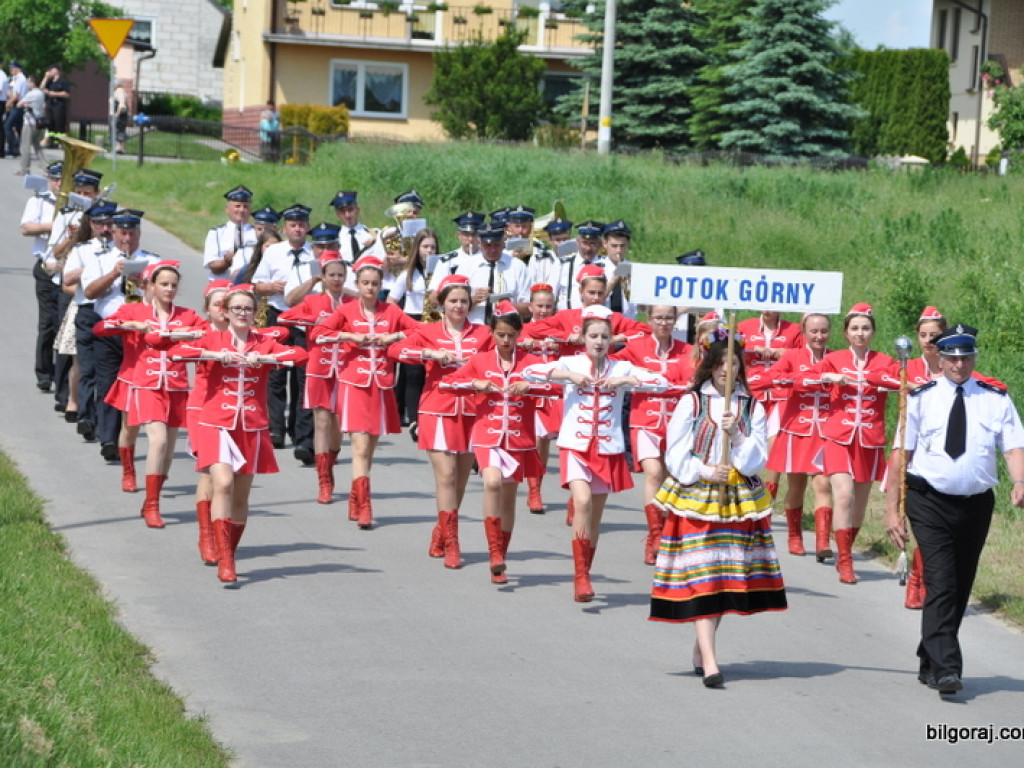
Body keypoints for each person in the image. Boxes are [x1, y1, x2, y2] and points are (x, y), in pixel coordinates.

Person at [884, 324, 1024, 696]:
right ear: (941, 359)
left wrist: (1020, 481)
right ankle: (948, 668)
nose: (959, 365)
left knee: (960, 584)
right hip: (929, 501)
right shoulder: (921, 398)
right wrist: (891, 511)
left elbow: (1013, 445)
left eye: (966, 358)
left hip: (976, 504)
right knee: (942, 580)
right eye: (952, 358)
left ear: (974, 358)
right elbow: (901, 456)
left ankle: (930, 658)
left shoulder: (994, 398)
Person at [649, 332, 787, 688]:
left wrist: (738, 434)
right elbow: (674, 454)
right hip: (697, 499)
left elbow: (756, 461)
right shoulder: (692, 402)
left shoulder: (752, 408)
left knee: (724, 578)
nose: (727, 369)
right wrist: (705, 470)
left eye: (734, 363)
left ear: (741, 368)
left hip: (737, 502)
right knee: (704, 576)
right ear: (710, 366)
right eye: (721, 363)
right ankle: (711, 663)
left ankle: (701, 648)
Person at [524, 306, 668, 603]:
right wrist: (567, 375)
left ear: (612, 339)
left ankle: (585, 571)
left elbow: (661, 382)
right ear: (583, 337)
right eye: (593, 336)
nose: (599, 342)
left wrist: (626, 382)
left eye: (604, 336)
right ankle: (580, 576)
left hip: (607, 448)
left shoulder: (621, 367)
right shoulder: (571, 362)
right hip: (575, 446)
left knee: (595, 519)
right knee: (582, 501)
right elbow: (530, 372)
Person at [174, 287, 308, 584]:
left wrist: (267, 358)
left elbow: (300, 354)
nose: (242, 313)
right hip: (215, 422)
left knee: (241, 495)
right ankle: (224, 559)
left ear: (255, 313)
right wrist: (214, 355)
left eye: (248, 309)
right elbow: (177, 352)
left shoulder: (264, 342)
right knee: (223, 482)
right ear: (225, 312)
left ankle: (229, 551)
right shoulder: (213, 337)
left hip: (251, 424)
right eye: (236, 308)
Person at [442, 301, 551, 584]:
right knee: (492, 482)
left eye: (511, 335)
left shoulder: (531, 362)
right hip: (487, 435)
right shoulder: (480, 361)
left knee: (508, 497)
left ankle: (501, 555)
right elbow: (447, 384)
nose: (505, 340)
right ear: (491, 332)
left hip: (518, 439)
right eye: (500, 334)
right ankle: (493, 553)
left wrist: (531, 386)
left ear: (519, 334)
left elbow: (557, 387)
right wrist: (474, 384)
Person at [390, 274, 493, 568]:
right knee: (446, 476)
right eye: (453, 301)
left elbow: (502, 357)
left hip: (472, 411)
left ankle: (441, 532)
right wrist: (429, 353)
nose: (459, 306)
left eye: (464, 301)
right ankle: (453, 543)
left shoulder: (484, 333)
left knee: (460, 479)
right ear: (442, 303)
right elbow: (395, 350)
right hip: (437, 408)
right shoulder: (429, 331)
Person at [94, 261, 202, 527]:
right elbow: (100, 329)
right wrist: (130, 324)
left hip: (175, 385)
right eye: (163, 284)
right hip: (142, 382)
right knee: (151, 437)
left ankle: (151, 498)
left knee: (168, 450)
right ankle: (138, 484)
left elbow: (207, 333)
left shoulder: (187, 315)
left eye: (173, 285)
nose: (169, 289)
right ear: (150, 286)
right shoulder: (134, 310)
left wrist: (188, 333)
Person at [313, 256, 418, 527]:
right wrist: (349, 336)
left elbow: (419, 330)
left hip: (381, 385)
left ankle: (354, 496)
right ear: (357, 284)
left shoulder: (391, 311)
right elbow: (318, 334)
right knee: (359, 447)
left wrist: (395, 337)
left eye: (375, 283)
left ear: (381, 285)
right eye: (365, 283)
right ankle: (365, 506)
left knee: (369, 447)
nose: (370, 288)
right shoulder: (346, 311)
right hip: (353, 384)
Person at [799, 302, 899, 584]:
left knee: (859, 505)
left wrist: (881, 380)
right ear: (845, 333)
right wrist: (826, 376)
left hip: (869, 440)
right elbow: (803, 378)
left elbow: (902, 382)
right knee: (844, 495)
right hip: (838, 438)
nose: (860, 333)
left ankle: (846, 547)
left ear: (873, 332)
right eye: (854, 328)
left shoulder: (885, 361)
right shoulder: (834, 359)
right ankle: (845, 561)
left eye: (865, 328)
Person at [613, 305, 694, 564]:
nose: (664, 322)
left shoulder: (688, 351)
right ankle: (654, 535)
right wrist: (629, 376)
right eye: (658, 318)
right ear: (649, 319)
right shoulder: (636, 347)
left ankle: (666, 534)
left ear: (676, 320)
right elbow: (609, 363)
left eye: (669, 318)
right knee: (654, 473)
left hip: (677, 424)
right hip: (644, 421)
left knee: (671, 480)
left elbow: (695, 382)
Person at [750, 312, 834, 560]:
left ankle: (822, 541)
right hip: (797, 428)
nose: (819, 336)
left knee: (823, 484)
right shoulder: (792, 356)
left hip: (826, 430)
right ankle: (794, 535)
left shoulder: (836, 358)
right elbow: (774, 377)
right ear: (804, 332)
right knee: (797, 485)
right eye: (814, 331)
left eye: (823, 331)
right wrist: (806, 379)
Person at [81, 208, 160, 462]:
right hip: (111, 329)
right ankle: (108, 439)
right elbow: (89, 292)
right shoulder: (101, 259)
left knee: (138, 384)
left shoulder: (153, 260)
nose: (127, 239)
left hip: (141, 334)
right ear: (113, 233)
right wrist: (115, 273)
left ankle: (130, 438)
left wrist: (144, 283)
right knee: (107, 382)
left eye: (132, 233)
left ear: (139, 233)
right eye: (123, 233)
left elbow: (164, 295)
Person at [279, 252, 351, 504]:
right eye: (332, 275)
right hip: (319, 366)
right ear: (323, 276)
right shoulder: (313, 300)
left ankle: (331, 460)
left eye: (340, 275)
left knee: (339, 423)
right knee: (321, 421)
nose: (336, 279)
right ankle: (324, 480)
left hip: (346, 367)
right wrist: (314, 320)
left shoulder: (352, 302)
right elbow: (284, 316)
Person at [251, 203, 317, 461]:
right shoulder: (274, 252)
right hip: (278, 315)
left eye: (301, 225)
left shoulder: (315, 252)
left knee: (304, 378)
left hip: (306, 319)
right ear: (284, 228)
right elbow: (257, 285)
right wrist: (271, 287)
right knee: (276, 375)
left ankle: (303, 438)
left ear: (307, 227)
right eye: (292, 225)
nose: (297, 229)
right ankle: (275, 429)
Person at [736, 310, 804, 500]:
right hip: (752, 391)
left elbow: (805, 355)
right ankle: (742, 489)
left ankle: (768, 494)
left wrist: (783, 353)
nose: (767, 310)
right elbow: (730, 351)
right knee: (744, 441)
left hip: (780, 394)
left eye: (772, 306)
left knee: (775, 442)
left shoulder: (794, 330)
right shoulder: (744, 326)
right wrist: (750, 350)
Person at [388, 227, 437, 438]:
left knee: (431, 374)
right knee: (413, 374)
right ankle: (415, 421)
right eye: (425, 247)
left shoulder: (442, 271)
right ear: (418, 249)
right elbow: (391, 302)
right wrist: (404, 323)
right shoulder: (408, 273)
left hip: (434, 323)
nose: (429, 251)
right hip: (413, 320)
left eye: (433, 247)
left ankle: (429, 416)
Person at [21, 161, 59, 393]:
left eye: (63, 179)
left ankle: (62, 374)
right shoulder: (39, 200)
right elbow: (26, 228)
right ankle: (44, 373)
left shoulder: (77, 202)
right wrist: (55, 226)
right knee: (47, 323)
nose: (59, 183)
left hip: (68, 269)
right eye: (55, 179)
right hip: (46, 266)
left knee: (65, 323)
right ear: (49, 180)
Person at [454, 222, 530, 324]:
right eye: (488, 245)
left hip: (507, 328)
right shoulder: (466, 267)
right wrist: (473, 300)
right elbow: (452, 306)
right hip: (474, 328)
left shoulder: (517, 266)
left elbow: (529, 307)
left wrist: (508, 307)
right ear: (479, 243)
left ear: (503, 241)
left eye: (497, 245)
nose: (493, 250)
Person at [204, 185, 257, 281]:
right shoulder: (216, 233)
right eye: (237, 206)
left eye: (245, 206)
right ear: (227, 209)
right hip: (222, 284)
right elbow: (212, 265)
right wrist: (226, 262)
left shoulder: (257, 233)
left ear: (250, 210)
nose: (241, 210)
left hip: (248, 285)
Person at [16, 74, 46, 175]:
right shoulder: (41, 93)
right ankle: (46, 167)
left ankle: (24, 169)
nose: (27, 84)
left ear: (33, 83)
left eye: (28, 82)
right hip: (38, 123)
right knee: (37, 147)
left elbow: (19, 104)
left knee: (25, 146)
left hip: (29, 123)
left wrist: (25, 104)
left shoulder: (31, 94)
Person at [5, 61, 27, 158]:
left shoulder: (20, 79)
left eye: (12, 68)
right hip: (17, 105)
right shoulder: (16, 79)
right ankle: (17, 148)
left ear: (17, 68)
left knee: (8, 126)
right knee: (18, 128)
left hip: (18, 105)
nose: (10, 70)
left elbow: (17, 95)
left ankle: (12, 148)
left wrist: (8, 103)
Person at [41, 64, 70, 138]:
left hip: (58, 104)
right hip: (50, 104)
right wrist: (46, 77)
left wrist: (54, 94)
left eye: (52, 70)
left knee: (59, 121)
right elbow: (42, 87)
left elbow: (66, 94)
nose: (50, 71)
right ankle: (52, 138)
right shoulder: (49, 81)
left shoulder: (62, 81)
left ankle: (60, 138)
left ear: (57, 70)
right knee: (50, 121)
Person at [112, 80, 129, 153]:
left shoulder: (119, 91)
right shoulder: (122, 91)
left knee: (118, 129)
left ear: (116, 85)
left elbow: (121, 104)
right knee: (121, 130)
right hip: (123, 114)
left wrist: (117, 114)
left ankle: (119, 147)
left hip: (120, 113)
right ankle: (121, 148)